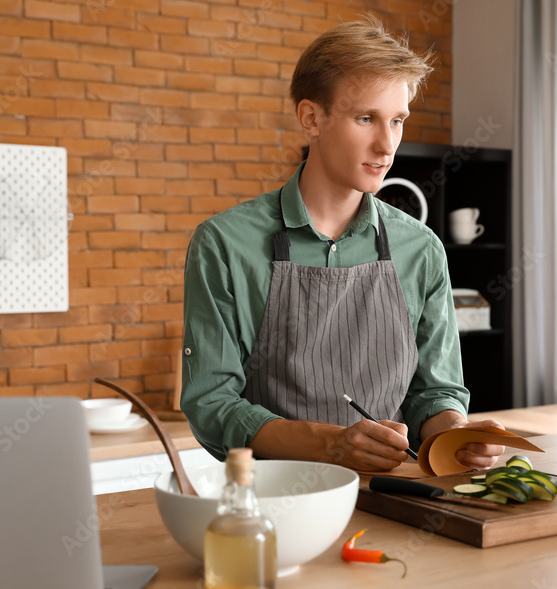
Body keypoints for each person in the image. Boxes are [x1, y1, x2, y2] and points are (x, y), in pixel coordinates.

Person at [181, 17, 505, 472]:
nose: (386, 143)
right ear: (312, 118)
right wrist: (328, 445)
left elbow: (435, 393)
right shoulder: (224, 244)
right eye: (366, 118)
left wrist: (454, 435)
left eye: (397, 121)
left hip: (396, 494)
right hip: (277, 504)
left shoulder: (422, 249)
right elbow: (211, 404)